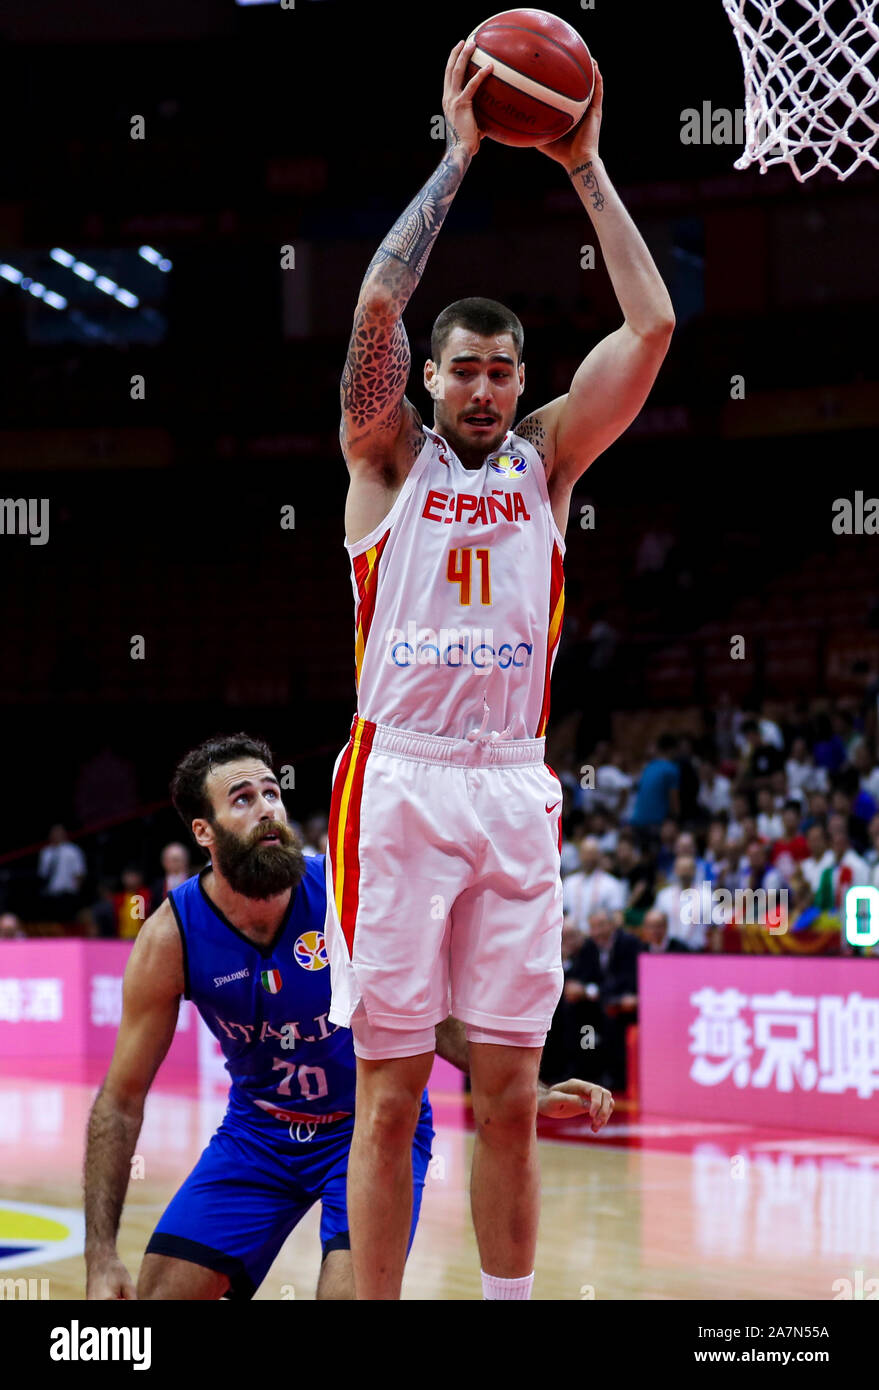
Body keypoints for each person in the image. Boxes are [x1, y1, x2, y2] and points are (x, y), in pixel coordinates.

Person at [327, 38, 672, 1301]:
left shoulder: (548, 466)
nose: (481, 386)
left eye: (500, 370)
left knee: (516, 1090)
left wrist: (583, 162)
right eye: (460, 367)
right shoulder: (384, 461)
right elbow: (373, 305)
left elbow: (653, 323)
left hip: (513, 786)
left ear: (523, 382)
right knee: (393, 1086)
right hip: (401, 782)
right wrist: (461, 152)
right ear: (429, 378)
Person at [84, 734, 605, 1302]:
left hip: (369, 1128)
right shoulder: (171, 937)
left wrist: (531, 1086)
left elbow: (425, 1015)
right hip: (258, 1134)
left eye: (270, 793)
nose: (267, 809)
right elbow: (120, 1100)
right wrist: (101, 1257)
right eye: (242, 800)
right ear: (203, 833)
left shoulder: (343, 889)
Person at [37, 823, 87, 923]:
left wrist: (75, 890)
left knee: (67, 922)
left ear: (64, 834)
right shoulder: (46, 852)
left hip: (67, 893)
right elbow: (42, 874)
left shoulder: (73, 851)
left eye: (59, 832)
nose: (56, 835)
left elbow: (79, 873)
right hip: (50, 894)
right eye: (54, 832)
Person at [150, 842, 192, 907]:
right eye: (169, 860)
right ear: (164, 862)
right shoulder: (157, 886)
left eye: (176, 860)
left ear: (186, 861)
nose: (173, 864)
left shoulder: (194, 883)